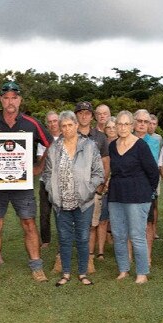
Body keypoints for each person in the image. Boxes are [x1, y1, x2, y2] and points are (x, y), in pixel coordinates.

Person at [0, 81, 53, 285]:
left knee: (28, 223)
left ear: (20, 100)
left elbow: (51, 144)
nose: (10, 102)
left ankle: (37, 267)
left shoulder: (31, 123)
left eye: (14, 97)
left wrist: (39, 167)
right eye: (6, 98)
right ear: (1, 100)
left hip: (23, 185)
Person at [43, 111, 104, 286]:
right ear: (60, 128)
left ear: (77, 126)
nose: (67, 129)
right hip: (60, 203)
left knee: (83, 237)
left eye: (71, 125)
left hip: (83, 202)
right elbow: (47, 174)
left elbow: (98, 172)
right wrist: (51, 189)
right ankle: (66, 273)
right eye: (64, 126)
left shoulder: (90, 146)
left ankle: (83, 273)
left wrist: (88, 190)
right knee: (64, 237)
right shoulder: (54, 148)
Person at [108, 111, 159, 284]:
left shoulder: (140, 146)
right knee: (118, 234)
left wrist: (147, 192)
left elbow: (153, 172)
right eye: (119, 124)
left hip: (138, 196)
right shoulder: (112, 146)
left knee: (137, 235)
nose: (122, 127)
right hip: (116, 195)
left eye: (126, 124)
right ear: (115, 126)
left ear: (132, 126)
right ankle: (123, 269)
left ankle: (142, 273)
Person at [74, 101, 109, 272]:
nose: (84, 116)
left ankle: (88, 260)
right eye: (80, 113)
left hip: (93, 188)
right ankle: (64, 258)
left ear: (92, 116)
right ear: (76, 116)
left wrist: (101, 184)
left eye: (87, 113)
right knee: (70, 224)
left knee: (92, 225)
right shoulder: (69, 134)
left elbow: (105, 162)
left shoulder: (100, 137)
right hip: (72, 189)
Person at [133, 109, 160, 267]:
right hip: (129, 188)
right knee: (131, 224)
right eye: (139, 121)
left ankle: (147, 256)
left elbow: (151, 166)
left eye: (145, 122)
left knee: (148, 223)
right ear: (134, 122)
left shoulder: (154, 142)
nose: (142, 124)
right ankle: (131, 256)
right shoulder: (125, 139)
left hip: (147, 188)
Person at [37, 111, 61, 248]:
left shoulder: (66, 137)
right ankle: (45, 240)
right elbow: (40, 159)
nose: (52, 124)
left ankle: (63, 238)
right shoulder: (43, 139)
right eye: (50, 122)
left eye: (55, 121)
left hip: (62, 181)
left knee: (62, 212)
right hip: (45, 181)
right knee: (45, 213)